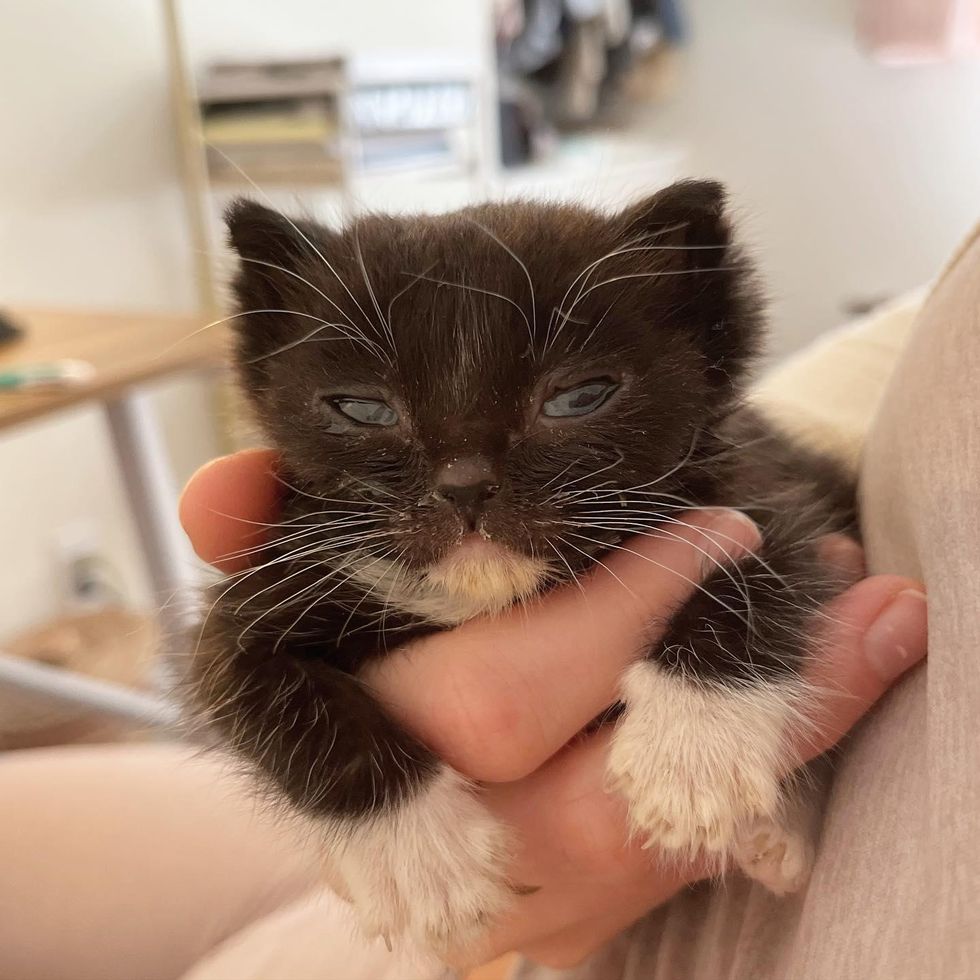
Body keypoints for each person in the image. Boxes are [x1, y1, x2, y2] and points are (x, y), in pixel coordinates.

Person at [3, 217, 977, 979]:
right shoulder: (325, 544)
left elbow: (770, 532)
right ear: (266, 378)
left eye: (575, 397)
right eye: (361, 409)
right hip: (445, 889)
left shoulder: (711, 486)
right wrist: (370, 799)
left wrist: (715, 690)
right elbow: (240, 660)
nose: (464, 478)